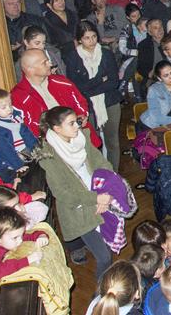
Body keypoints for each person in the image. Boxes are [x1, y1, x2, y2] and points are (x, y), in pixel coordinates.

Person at [37, 106, 114, 279]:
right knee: (104, 257)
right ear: (57, 129)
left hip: (100, 196)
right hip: (79, 210)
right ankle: (100, 292)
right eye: (71, 123)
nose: (77, 126)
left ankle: (106, 286)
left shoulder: (81, 138)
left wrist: (104, 190)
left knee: (109, 246)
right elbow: (63, 193)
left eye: (76, 122)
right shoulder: (49, 155)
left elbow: (102, 164)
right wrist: (96, 198)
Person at [12, 48, 102, 146]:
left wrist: (81, 115)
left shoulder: (61, 81)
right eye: (44, 63)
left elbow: (80, 102)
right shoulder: (18, 96)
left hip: (80, 137)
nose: (50, 64)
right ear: (30, 69)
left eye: (48, 60)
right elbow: (25, 127)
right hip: (50, 146)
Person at [65, 21, 122, 169]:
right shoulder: (72, 57)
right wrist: (99, 80)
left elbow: (113, 82)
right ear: (79, 40)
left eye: (94, 36)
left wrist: (88, 89)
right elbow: (76, 87)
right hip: (86, 106)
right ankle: (97, 174)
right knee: (92, 143)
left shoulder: (106, 54)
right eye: (86, 38)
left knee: (112, 142)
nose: (91, 41)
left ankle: (113, 173)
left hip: (110, 102)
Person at [0, 206, 47, 295]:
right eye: (15, 238)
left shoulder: (3, 238)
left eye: (21, 235)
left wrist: (41, 236)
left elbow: (27, 236)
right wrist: (28, 260)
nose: (20, 240)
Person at [140, 61, 171, 133]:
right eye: (166, 75)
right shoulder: (154, 89)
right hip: (154, 125)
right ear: (159, 78)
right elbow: (156, 117)